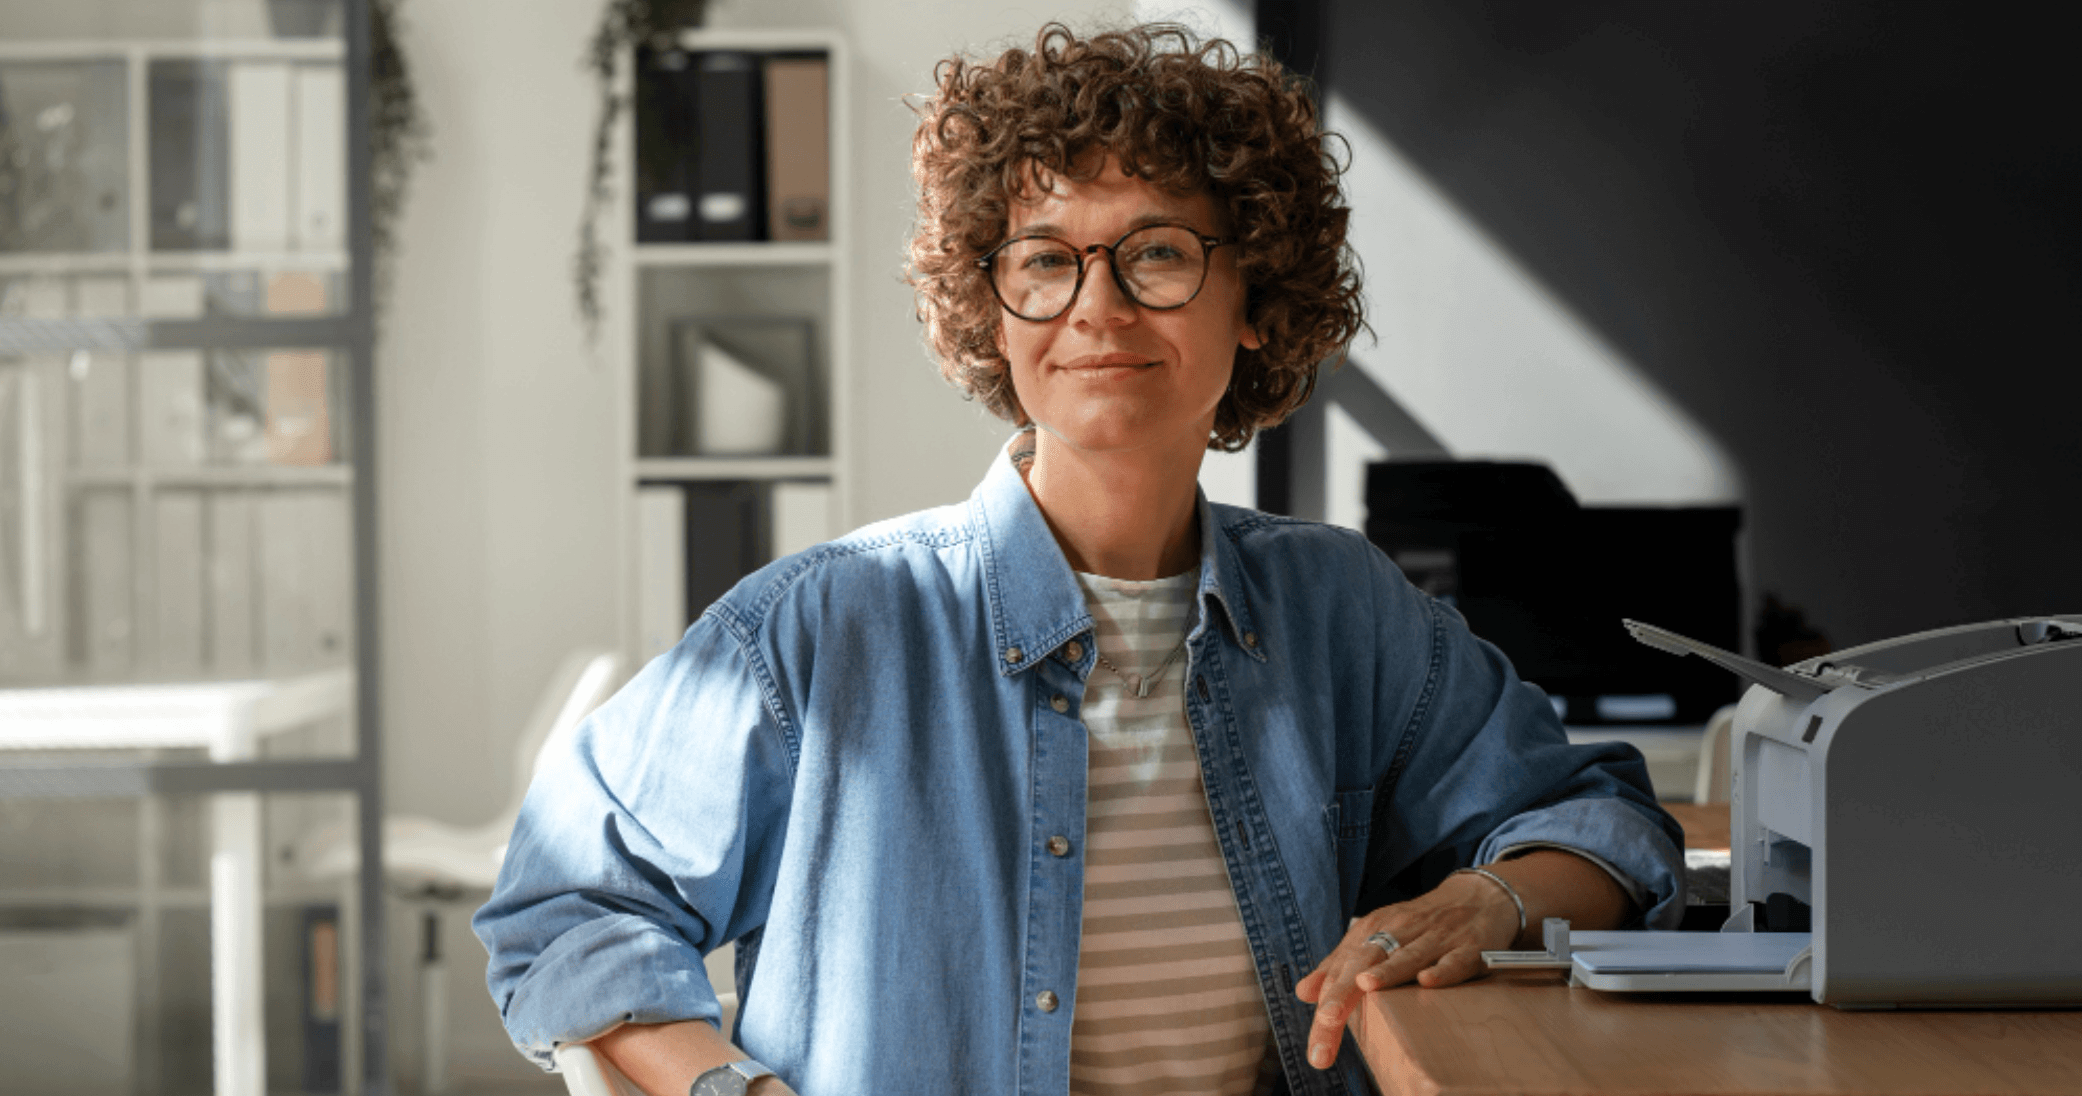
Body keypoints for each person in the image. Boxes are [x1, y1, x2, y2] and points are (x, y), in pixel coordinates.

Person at [475, 22, 1683, 1096]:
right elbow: (564, 904)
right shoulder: (822, 627)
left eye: (1156, 253)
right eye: (1046, 261)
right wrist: (728, 1088)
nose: (1096, 309)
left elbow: (1601, 819)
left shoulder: (1341, 610)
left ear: (1256, 298)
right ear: (993, 312)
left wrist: (1490, 897)